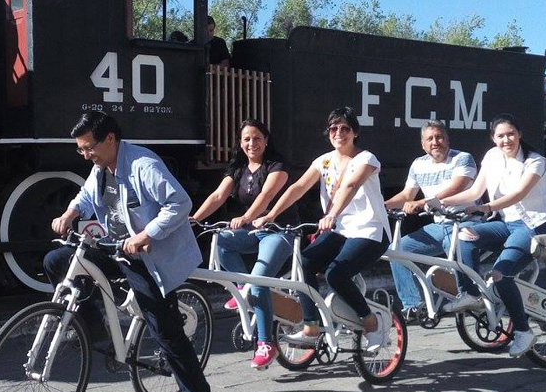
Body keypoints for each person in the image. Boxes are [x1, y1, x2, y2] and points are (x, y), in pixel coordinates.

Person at [45, 112, 216, 392]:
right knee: (57, 260)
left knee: (165, 330)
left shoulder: (143, 165)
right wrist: (70, 213)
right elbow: (85, 196)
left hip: (147, 256)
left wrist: (146, 235)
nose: (85, 155)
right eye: (80, 150)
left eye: (88, 148)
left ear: (110, 139)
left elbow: (180, 203)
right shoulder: (100, 168)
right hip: (114, 248)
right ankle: (96, 333)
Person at [253, 107, 390, 350]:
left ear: (355, 133)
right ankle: (312, 325)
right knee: (304, 262)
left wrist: (332, 214)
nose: (339, 133)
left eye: (345, 128)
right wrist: (271, 214)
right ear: (328, 133)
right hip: (341, 230)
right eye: (334, 128)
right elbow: (298, 187)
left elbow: (351, 186)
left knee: (335, 273)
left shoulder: (366, 159)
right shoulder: (324, 161)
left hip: (370, 230)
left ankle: (371, 322)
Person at [432, 113, 546, 358]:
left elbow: (519, 194)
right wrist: (437, 201)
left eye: (511, 134)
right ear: (493, 139)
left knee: (501, 275)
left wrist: (486, 207)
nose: (506, 139)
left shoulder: (536, 161)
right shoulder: (491, 157)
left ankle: (523, 331)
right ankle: (470, 292)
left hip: (533, 226)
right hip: (507, 223)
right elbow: (476, 191)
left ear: (519, 134)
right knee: (465, 234)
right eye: (500, 136)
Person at [191, 119, 298, 370]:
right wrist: (194, 219)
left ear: (266, 140)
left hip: (278, 231)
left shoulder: (277, 166)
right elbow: (218, 195)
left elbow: (267, 195)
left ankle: (265, 343)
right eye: (246, 139)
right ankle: (242, 287)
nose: (252, 143)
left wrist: (247, 217)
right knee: (222, 241)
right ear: (240, 143)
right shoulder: (238, 168)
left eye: (257, 138)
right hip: (253, 231)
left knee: (259, 281)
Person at [384, 120, 477, 320]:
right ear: (423, 144)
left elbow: (457, 187)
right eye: (430, 139)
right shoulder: (418, 164)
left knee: (457, 253)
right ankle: (414, 306)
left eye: (439, 137)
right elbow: (407, 194)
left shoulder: (462, 159)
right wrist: (381, 207)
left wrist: (421, 203)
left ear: (447, 139)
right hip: (438, 226)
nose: (435, 142)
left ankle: (469, 295)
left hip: (465, 221)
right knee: (397, 250)